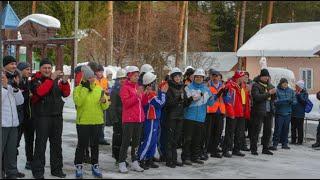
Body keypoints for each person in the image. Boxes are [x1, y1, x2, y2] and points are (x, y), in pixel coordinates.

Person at [30, 58, 71, 179]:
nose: (47, 70)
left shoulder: (54, 80)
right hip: (42, 117)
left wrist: (64, 82)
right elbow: (40, 92)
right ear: (40, 69)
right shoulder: (35, 80)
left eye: (49, 68)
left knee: (57, 145)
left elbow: (66, 93)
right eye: (45, 68)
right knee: (40, 145)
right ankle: (38, 171)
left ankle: (57, 169)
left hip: (57, 117)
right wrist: (51, 79)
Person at [73, 65, 110, 179]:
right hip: (83, 122)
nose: (92, 79)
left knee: (95, 145)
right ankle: (79, 165)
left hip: (97, 122)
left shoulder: (99, 89)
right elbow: (78, 102)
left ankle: (95, 165)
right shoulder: (78, 89)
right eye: (89, 77)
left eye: (93, 77)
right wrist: (85, 88)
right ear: (84, 78)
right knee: (82, 145)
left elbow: (105, 106)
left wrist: (104, 101)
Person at [182, 69, 215, 165]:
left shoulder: (206, 89)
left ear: (203, 78)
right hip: (189, 117)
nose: (199, 79)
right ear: (194, 78)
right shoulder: (188, 88)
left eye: (201, 77)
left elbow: (210, 103)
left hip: (201, 117)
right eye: (197, 77)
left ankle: (195, 156)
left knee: (198, 139)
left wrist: (212, 98)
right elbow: (187, 102)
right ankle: (186, 157)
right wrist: (196, 97)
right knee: (188, 139)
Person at [118, 66, 148, 173]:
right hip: (129, 119)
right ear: (130, 76)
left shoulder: (137, 87)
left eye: (138, 75)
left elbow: (142, 103)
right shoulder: (125, 88)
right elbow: (126, 103)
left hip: (139, 118)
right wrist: (137, 96)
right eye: (135, 76)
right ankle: (121, 162)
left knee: (136, 142)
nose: (137, 77)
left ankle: (135, 161)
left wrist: (144, 95)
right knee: (126, 142)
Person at [138, 72, 168, 169]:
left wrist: (160, 91)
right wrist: (162, 92)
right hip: (150, 120)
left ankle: (149, 159)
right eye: (154, 82)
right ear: (150, 84)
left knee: (154, 141)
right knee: (148, 141)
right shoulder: (149, 94)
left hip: (154, 120)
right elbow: (160, 103)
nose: (156, 84)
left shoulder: (152, 93)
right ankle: (141, 159)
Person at [3, 56, 26, 178]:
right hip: (3, 123)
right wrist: (5, 87)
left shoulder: (13, 79)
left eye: (15, 64)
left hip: (13, 123)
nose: (14, 66)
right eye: (11, 64)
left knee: (11, 151)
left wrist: (16, 88)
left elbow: (19, 102)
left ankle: (11, 173)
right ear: (5, 65)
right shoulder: (2, 79)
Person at [165, 68, 191, 168]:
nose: (178, 78)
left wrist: (190, 100)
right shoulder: (169, 87)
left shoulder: (182, 87)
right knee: (170, 139)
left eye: (179, 76)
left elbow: (184, 103)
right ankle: (169, 159)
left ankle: (174, 159)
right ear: (172, 77)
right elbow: (168, 104)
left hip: (180, 116)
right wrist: (178, 99)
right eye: (175, 76)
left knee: (176, 139)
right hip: (171, 116)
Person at [222, 71, 250, 158]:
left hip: (241, 113)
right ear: (238, 78)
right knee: (230, 132)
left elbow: (245, 101)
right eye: (243, 77)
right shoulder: (230, 86)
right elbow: (227, 101)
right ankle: (226, 149)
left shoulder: (243, 87)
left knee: (239, 133)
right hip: (233, 113)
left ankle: (236, 149)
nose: (245, 78)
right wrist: (230, 113)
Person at [250, 69, 276, 156]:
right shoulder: (256, 85)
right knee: (256, 130)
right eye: (265, 76)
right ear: (261, 76)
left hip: (269, 111)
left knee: (268, 131)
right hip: (259, 111)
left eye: (267, 76)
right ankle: (253, 149)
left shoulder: (270, 85)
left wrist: (274, 93)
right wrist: (269, 93)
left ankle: (265, 148)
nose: (266, 78)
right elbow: (257, 97)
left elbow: (274, 99)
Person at [270, 78, 296, 151]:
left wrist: (292, 102)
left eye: (286, 83)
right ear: (280, 84)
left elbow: (295, 101)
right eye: (283, 83)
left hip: (288, 113)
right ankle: (275, 144)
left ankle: (285, 144)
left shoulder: (291, 91)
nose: (285, 84)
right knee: (278, 129)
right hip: (279, 113)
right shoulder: (277, 90)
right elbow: (275, 102)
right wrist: (285, 100)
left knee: (286, 129)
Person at [16, 62, 34, 170]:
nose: (29, 71)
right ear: (21, 70)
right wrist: (28, 94)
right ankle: (12, 165)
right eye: (27, 69)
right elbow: (19, 98)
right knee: (15, 142)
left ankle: (29, 161)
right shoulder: (17, 82)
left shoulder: (27, 82)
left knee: (30, 140)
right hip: (19, 118)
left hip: (29, 117)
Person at [206, 69, 226, 158]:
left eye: (217, 76)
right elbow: (207, 98)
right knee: (209, 132)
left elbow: (228, 100)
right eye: (213, 76)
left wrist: (226, 95)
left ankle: (214, 149)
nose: (215, 78)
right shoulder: (207, 85)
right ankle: (208, 149)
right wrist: (217, 95)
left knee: (218, 132)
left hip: (220, 111)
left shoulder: (223, 86)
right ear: (211, 76)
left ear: (219, 77)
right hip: (211, 111)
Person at [110, 69, 127, 164]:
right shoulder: (115, 90)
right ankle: (117, 157)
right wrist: (115, 119)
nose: (123, 80)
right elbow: (112, 106)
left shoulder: (126, 88)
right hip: (118, 118)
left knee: (124, 138)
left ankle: (122, 157)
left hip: (125, 117)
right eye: (121, 78)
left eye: (124, 78)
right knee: (118, 138)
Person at [95, 64, 110, 145]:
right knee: (96, 122)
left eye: (101, 72)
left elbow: (108, 89)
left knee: (103, 122)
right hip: (96, 103)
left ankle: (101, 138)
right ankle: (95, 137)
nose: (100, 73)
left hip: (104, 102)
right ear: (96, 72)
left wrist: (108, 91)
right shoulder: (93, 80)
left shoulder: (105, 80)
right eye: (99, 72)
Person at [291, 80, 308, 145]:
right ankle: (293, 140)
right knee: (293, 128)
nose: (295, 87)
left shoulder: (305, 93)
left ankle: (300, 141)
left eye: (297, 86)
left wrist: (299, 95)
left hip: (300, 114)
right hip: (293, 113)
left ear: (300, 87)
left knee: (300, 128)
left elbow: (304, 102)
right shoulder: (294, 92)